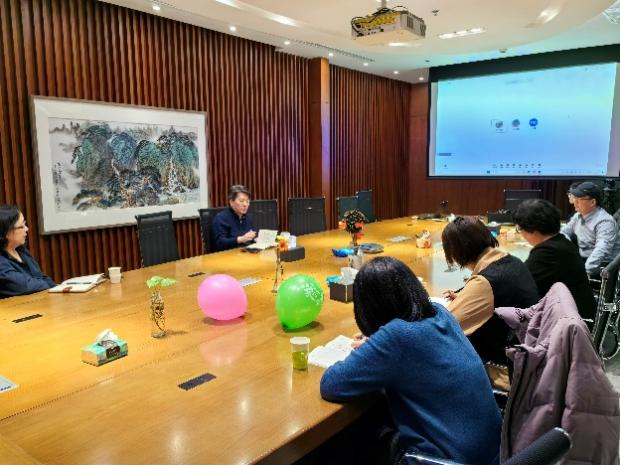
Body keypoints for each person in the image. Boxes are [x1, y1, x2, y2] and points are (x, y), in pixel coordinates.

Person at [320, 257, 501, 465]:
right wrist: (377, 346)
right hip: (492, 451)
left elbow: (331, 384)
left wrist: (377, 348)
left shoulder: (396, 337)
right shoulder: (440, 313)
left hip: (445, 459)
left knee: (341, 442)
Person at [441, 216, 539, 388]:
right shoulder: (513, 261)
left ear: (456, 252)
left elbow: (444, 325)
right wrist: (467, 298)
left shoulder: (485, 282)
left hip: (504, 369)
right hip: (531, 358)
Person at [513, 199, 596, 324]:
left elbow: (520, 285)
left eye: (520, 229)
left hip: (568, 324)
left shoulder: (548, 253)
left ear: (533, 230)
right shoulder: (562, 242)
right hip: (574, 314)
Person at [561, 181, 620, 275]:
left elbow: (600, 251)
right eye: (575, 198)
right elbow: (564, 232)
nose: (575, 202)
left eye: (579, 199)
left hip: (601, 268)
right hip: (584, 259)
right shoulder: (579, 215)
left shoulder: (605, 222)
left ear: (592, 202)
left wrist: (582, 273)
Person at [0, 205, 55, 298]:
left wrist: (58, 288)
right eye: (21, 226)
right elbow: (23, 286)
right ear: (6, 233)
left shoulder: (21, 250)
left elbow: (40, 277)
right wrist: (48, 285)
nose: (27, 229)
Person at [212, 185, 256, 252]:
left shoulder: (248, 218)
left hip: (246, 253)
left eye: (247, 201)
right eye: (241, 201)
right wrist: (240, 239)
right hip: (228, 255)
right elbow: (220, 243)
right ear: (231, 202)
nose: (245, 205)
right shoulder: (221, 218)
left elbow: (250, 240)